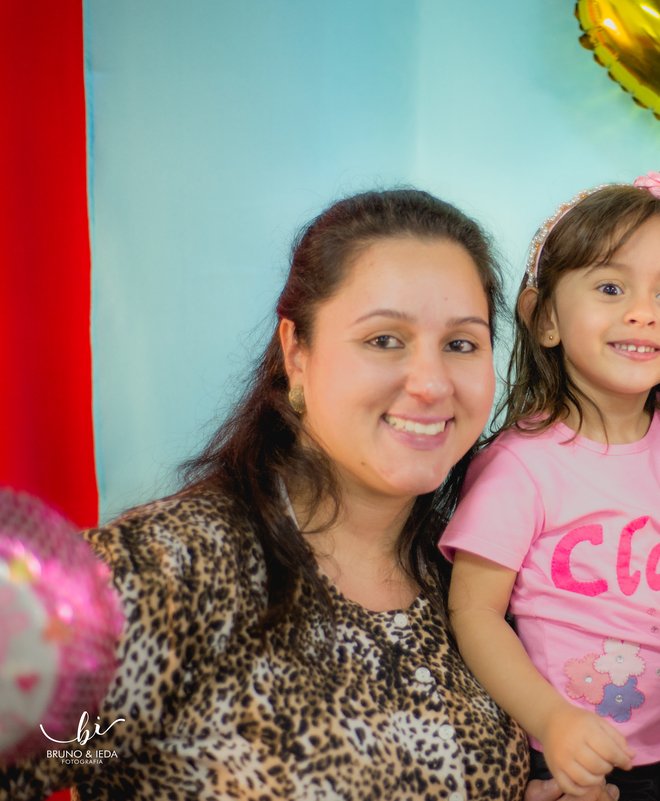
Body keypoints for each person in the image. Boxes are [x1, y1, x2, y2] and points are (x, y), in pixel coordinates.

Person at [1, 190, 531, 800]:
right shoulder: (162, 573)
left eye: (461, 344)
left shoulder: (472, 580)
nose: (432, 384)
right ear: (296, 352)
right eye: (384, 339)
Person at [441, 172, 660, 801]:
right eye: (610, 287)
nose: (642, 312)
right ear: (545, 318)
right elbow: (474, 611)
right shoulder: (520, 465)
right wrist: (552, 721)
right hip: (557, 754)